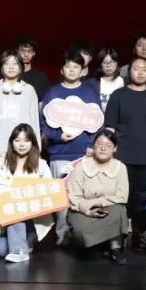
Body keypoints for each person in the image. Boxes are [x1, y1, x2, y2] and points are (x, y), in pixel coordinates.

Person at [103, 57, 146, 251]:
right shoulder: (118, 96)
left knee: (145, 199)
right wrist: (109, 154)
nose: (140, 72)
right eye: (136, 68)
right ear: (128, 71)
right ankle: (120, 235)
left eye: (144, 69)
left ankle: (141, 233)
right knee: (122, 197)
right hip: (122, 157)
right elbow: (110, 128)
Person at [39, 50, 103, 245]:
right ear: (62, 70)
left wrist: (91, 145)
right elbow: (43, 123)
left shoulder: (89, 93)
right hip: (59, 154)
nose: (72, 70)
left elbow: (98, 122)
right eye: (68, 66)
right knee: (61, 198)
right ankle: (62, 235)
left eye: (76, 67)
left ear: (82, 70)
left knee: (84, 195)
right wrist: (57, 137)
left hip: (84, 154)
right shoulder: (53, 93)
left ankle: (83, 235)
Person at [0, 124, 54, 262]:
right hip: (5, 217)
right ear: (12, 142)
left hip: (32, 217)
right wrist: (1, 195)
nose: (22, 144)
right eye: (17, 140)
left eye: (26, 140)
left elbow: (49, 191)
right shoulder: (0, 163)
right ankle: (24, 242)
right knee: (0, 249)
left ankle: (19, 250)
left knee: (17, 207)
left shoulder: (41, 165)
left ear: (32, 143)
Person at [66, 130, 129, 264]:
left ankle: (115, 248)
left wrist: (96, 202)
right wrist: (85, 209)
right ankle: (90, 246)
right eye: (99, 144)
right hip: (83, 209)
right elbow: (73, 194)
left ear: (115, 149)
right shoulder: (82, 166)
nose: (103, 148)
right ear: (93, 146)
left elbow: (122, 196)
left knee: (119, 210)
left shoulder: (120, 167)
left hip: (109, 208)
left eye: (108, 145)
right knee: (79, 229)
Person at [0, 50, 41, 166]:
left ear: (21, 67)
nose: (11, 67)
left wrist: (36, 151)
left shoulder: (29, 90)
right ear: (1, 67)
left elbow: (35, 123)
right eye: (6, 63)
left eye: (15, 63)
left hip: (26, 154)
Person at [15, 35, 49, 101]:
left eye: (29, 51)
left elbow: (44, 101)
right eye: (22, 51)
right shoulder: (10, 74)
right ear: (17, 52)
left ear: (34, 53)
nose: (26, 54)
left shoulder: (41, 77)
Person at [91, 46, 124, 113]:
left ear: (116, 63)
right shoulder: (94, 83)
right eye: (105, 62)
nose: (108, 66)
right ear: (101, 64)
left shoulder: (124, 82)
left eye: (111, 62)